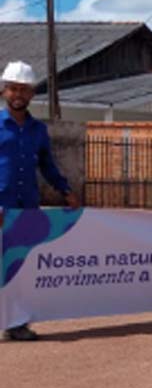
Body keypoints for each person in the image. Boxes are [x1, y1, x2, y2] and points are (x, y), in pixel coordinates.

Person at [0, 61, 80, 341]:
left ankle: (16, 323)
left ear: (32, 94)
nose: (18, 94)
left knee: (18, 269)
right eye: (13, 89)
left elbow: (47, 165)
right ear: (3, 91)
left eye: (24, 89)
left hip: (26, 210)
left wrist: (65, 191)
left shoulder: (37, 130)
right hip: (1, 208)